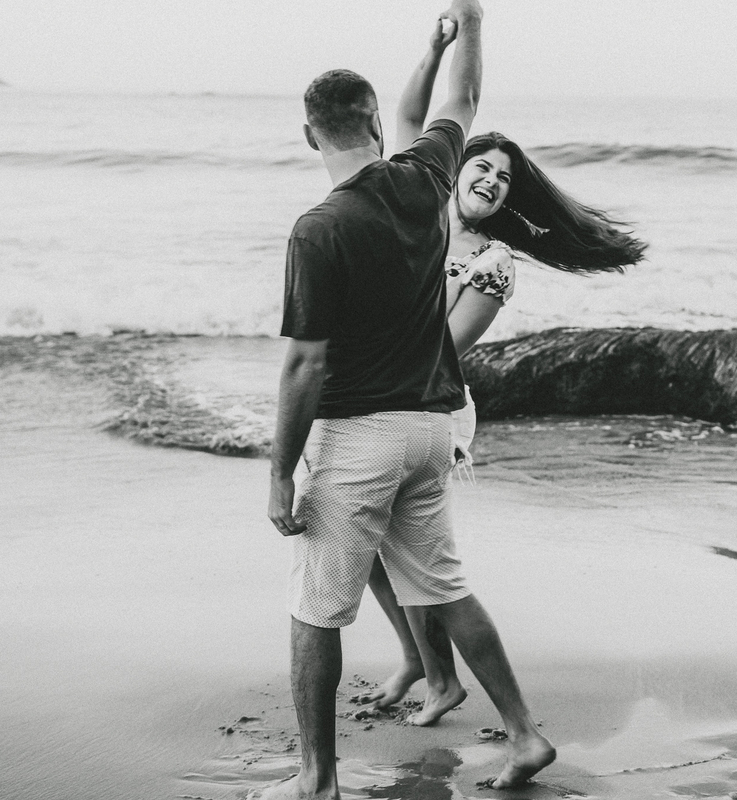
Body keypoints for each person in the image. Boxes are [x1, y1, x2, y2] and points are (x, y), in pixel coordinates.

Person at [265, 2, 556, 797]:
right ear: (375, 125)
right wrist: (468, 25)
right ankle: (525, 737)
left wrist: (276, 471)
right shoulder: (429, 178)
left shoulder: (319, 228)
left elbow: (303, 369)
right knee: (446, 588)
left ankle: (316, 781)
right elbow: (459, 103)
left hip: (360, 435)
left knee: (317, 610)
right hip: (433, 430)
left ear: (309, 135)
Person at [359, 20, 648, 729]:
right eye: (480, 166)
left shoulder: (491, 264)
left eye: (502, 178)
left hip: (429, 406)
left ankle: (454, 687)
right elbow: (408, 118)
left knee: (420, 564)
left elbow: (445, 350)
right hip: (381, 396)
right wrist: (432, 47)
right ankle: (417, 662)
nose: (487, 179)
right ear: (456, 172)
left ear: (507, 199)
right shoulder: (417, 205)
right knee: (370, 551)